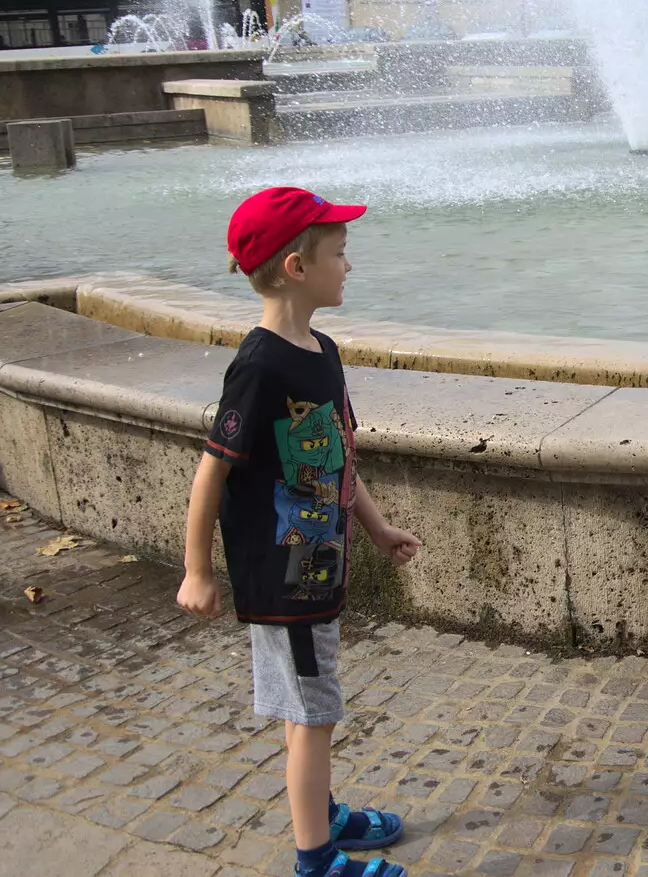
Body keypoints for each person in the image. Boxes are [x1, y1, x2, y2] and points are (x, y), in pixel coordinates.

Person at [176, 185, 422, 877]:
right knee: (315, 712)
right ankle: (316, 857)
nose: (350, 266)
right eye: (339, 254)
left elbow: (333, 454)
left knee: (304, 704)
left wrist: (374, 528)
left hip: (319, 563)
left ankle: (322, 810)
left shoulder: (321, 351)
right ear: (296, 267)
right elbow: (210, 475)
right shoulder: (258, 369)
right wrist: (197, 571)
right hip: (284, 580)